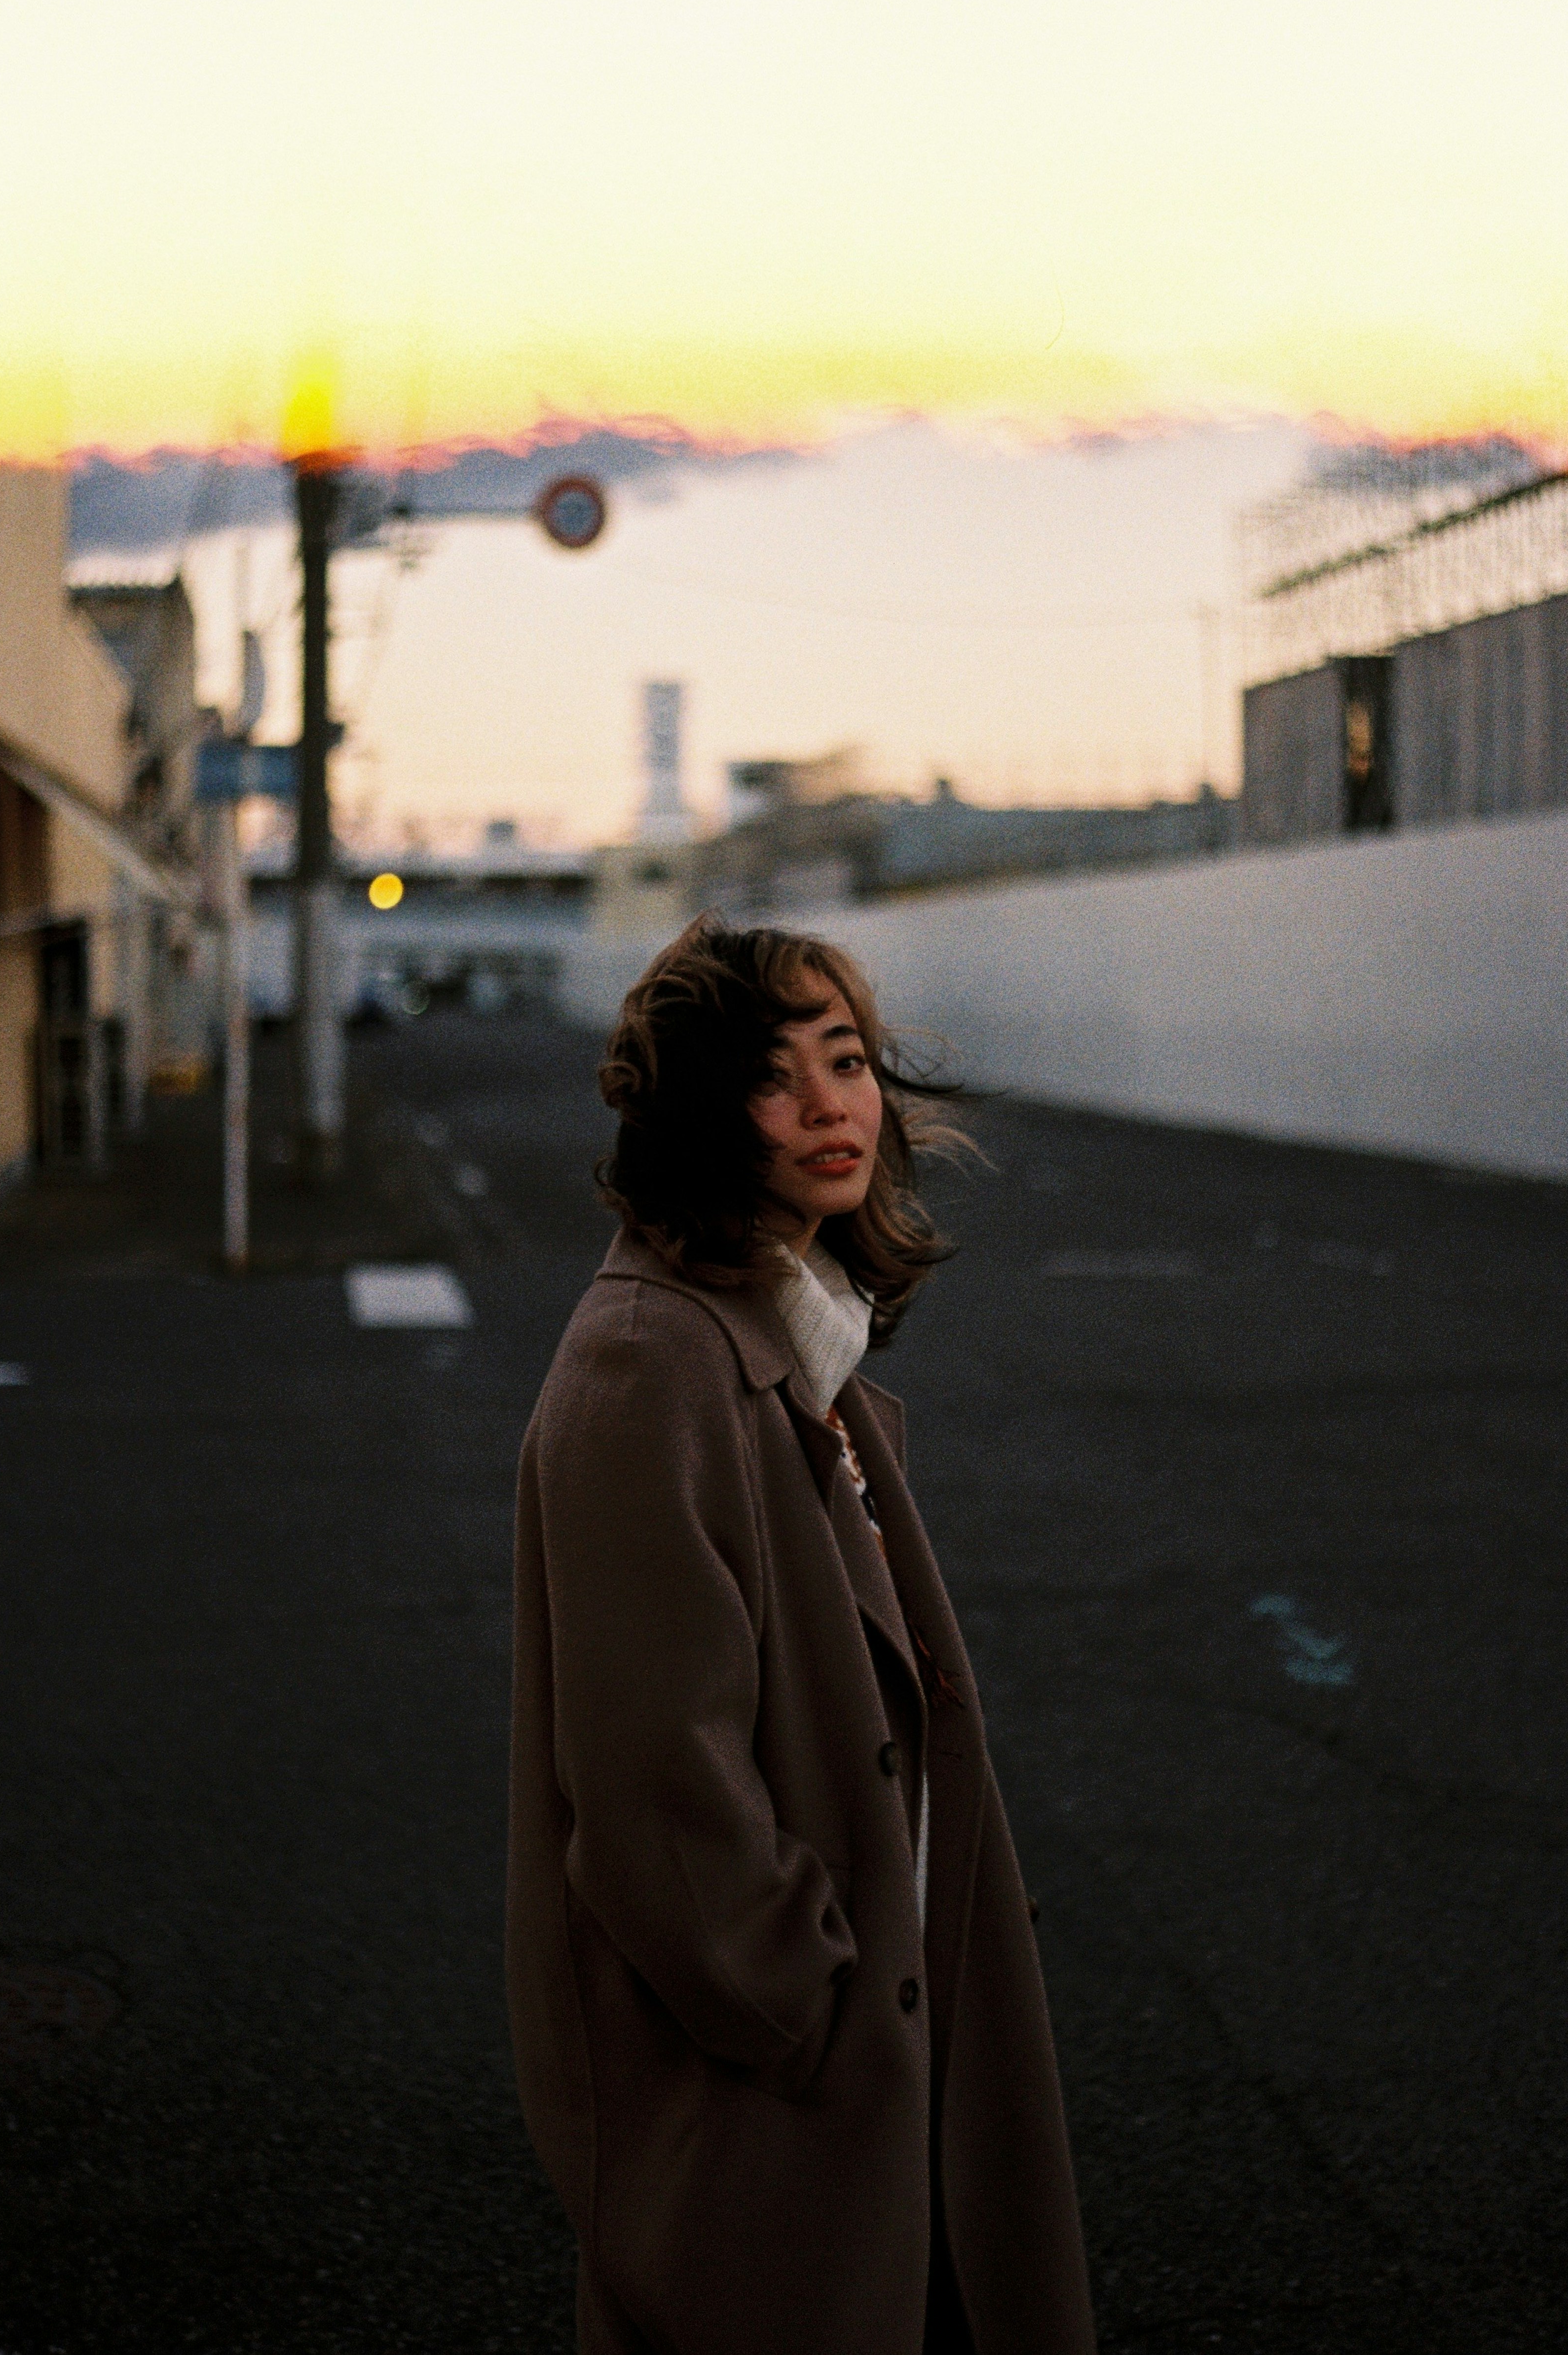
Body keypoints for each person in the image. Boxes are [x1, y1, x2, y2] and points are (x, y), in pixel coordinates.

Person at [507, 917, 1093, 2355]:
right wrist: (820, 2010)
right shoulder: (658, 1362)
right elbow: (658, 1794)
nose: (833, 1103)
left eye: (847, 1057)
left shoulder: (779, 1332)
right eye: (776, 1075)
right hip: (778, 2103)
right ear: (702, 1113)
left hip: (855, 2066)